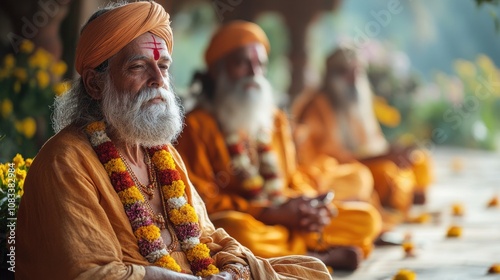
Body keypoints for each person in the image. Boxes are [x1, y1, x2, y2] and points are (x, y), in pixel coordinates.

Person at [15, 2, 333, 279]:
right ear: (96, 84)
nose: (158, 80)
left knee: (310, 271)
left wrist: (232, 269)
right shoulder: (66, 161)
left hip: (199, 271)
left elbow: (207, 235)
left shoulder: (161, 152)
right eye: (139, 67)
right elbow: (88, 272)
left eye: (163, 66)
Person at [175, 21, 382, 271]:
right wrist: (268, 213)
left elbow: (291, 177)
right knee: (235, 230)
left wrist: (306, 205)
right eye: (242, 63)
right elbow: (201, 201)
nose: (254, 72)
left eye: (260, 64)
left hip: (286, 218)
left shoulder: (273, 120)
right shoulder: (197, 126)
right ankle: (316, 258)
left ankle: (284, 258)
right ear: (218, 71)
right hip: (252, 222)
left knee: (365, 219)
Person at [292, 46, 433, 216]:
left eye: (357, 72)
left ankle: (404, 194)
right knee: (371, 176)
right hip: (342, 174)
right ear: (330, 76)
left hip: (368, 164)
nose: (354, 79)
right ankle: (399, 196)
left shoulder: (359, 101)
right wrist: (381, 157)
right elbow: (328, 160)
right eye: (346, 72)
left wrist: (392, 152)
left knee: (419, 158)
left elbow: (375, 143)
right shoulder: (317, 107)